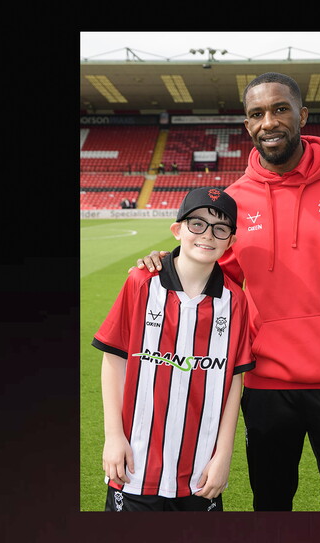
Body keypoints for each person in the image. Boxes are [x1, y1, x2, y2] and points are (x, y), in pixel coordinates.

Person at [135, 72, 320, 511]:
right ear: (247, 125)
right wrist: (164, 263)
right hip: (264, 384)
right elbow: (212, 279)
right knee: (270, 503)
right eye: (257, 114)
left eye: (280, 109)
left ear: (302, 115)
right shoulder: (232, 201)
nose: (269, 121)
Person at [94, 186, 255, 511]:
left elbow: (234, 380)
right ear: (177, 229)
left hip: (200, 474)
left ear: (230, 242)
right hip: (135, 467)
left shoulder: (235, 301)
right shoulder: (141, 282)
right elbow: (114, 359)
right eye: (197, 224)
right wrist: (113, 436)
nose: (207, 235)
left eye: (220, 228)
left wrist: (223, 456)